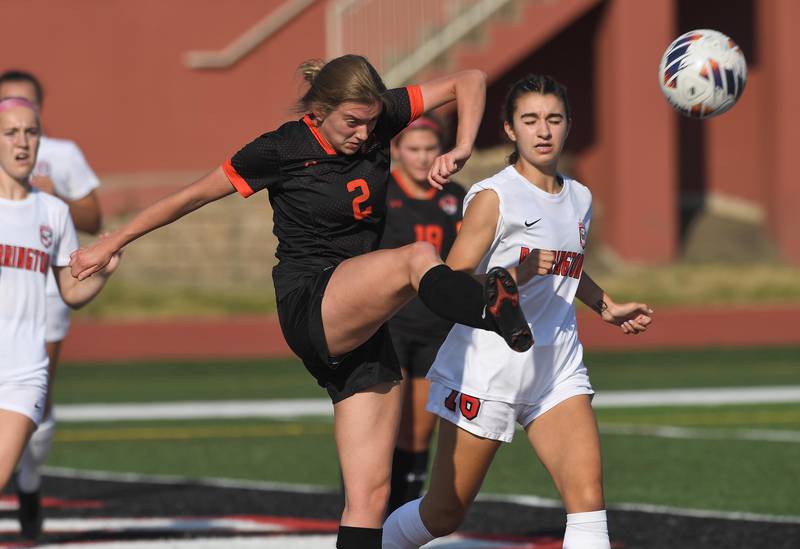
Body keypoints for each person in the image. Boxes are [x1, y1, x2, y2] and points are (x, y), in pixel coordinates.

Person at [68, 55, 532, 549]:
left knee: (370, 496)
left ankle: (487, 306)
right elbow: (191, 196)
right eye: (351, 122)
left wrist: (462, 146)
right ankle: (487, 307)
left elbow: (470, 80)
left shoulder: (382, 116)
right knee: (416, 257)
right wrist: (110, 241)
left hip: (361, 320)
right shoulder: (281, 147)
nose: (363, 133)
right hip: (310, 299)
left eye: (371, 122)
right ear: (318, 108)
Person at [382, 74, 654, 549]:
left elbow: (568, 268)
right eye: (530, 120)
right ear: (510, 129)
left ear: (568, 125)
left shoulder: (581, 197)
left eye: (553, 119)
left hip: (557, 366)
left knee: (587, 500)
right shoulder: (494, 196)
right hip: (487, 368)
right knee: (443, 512)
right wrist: (515, 271)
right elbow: (451, 278)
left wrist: (606, 307)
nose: (543, 130)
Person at [0, 97, 118, 536]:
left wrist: (103, 273)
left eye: (31, 132)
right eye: (10, 132)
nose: (22, 142)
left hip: (24, 372)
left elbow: (69, 290)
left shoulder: (53, 212)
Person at [379, 115, 465, 513]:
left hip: (436, 328)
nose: (422, 157)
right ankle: (364, 513)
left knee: (418, 432)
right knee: (378, 430)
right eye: (413, 149)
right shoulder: (380, 195)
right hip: (388, 325)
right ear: (396, 151)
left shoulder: (456, 198)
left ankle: (400, 518)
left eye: (430, 149)